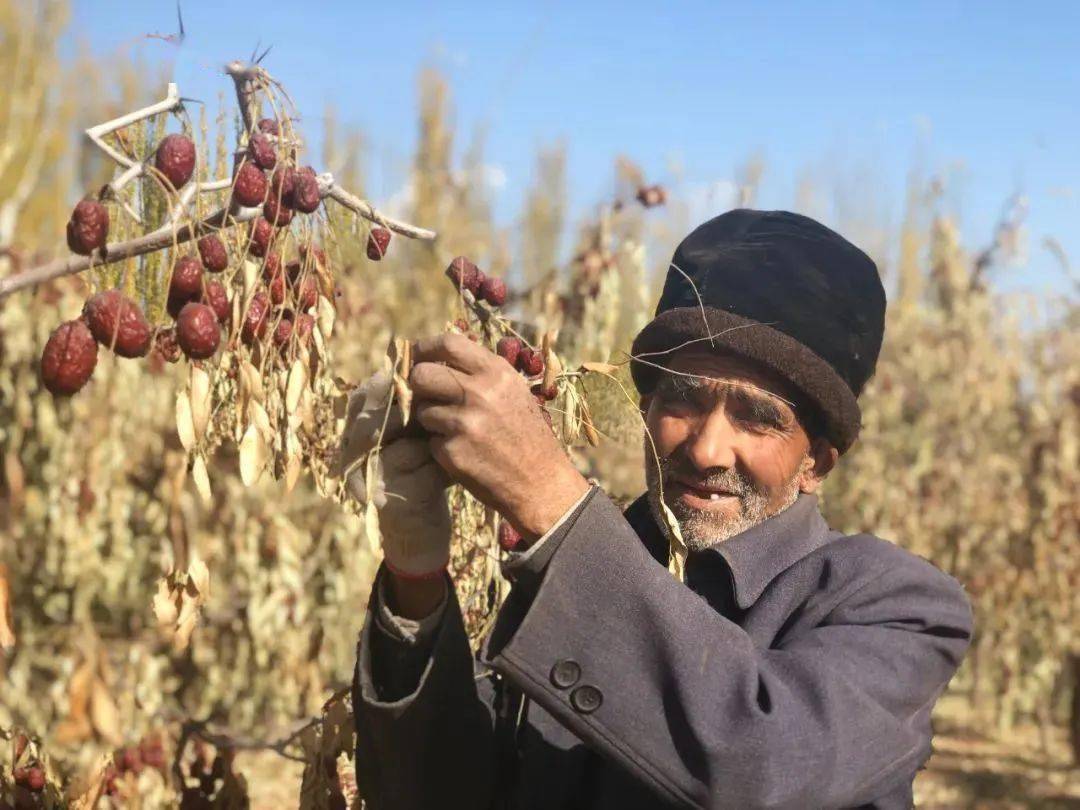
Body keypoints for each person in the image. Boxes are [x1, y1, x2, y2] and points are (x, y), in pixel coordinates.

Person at [341, 209, 974, 809]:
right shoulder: (586, 564)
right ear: (646, 409)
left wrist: (548, 500)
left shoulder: (898, 607)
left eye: (759, 418)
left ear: (817, 463)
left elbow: (760, 766)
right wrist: (416, 575)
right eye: (683, 399)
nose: (706, 448)